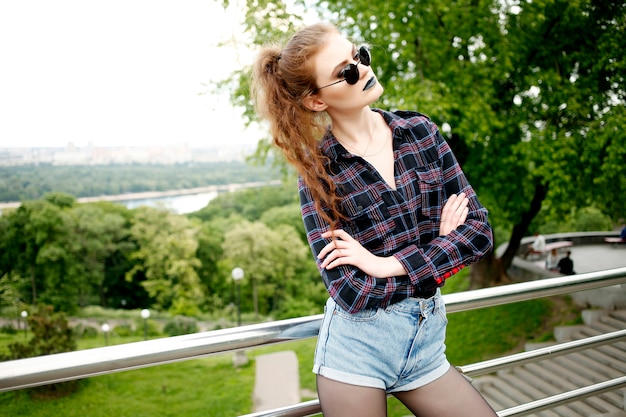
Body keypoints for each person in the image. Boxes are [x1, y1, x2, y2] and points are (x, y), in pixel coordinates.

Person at [251, 23, 497, 417]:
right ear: (316, 100)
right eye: (345, 72)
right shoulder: (320, 172)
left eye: (359, 56)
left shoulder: (420, 133)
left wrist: (386, 264)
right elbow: (352, 291)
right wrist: (441, 254)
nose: (363, 70)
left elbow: (480, 232)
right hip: (356, 355)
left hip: (427, 348)